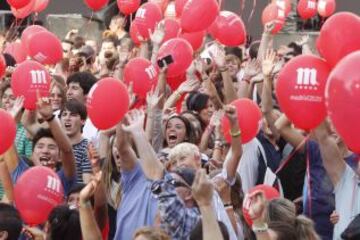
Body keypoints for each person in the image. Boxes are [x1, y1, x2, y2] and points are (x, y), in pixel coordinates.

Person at [59, 99, 92, 183]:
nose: (67, 118)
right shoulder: (54, 144)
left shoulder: (88, 148)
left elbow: (86, 185)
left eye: (73, 115)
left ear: (83, 121)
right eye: (64, 114)